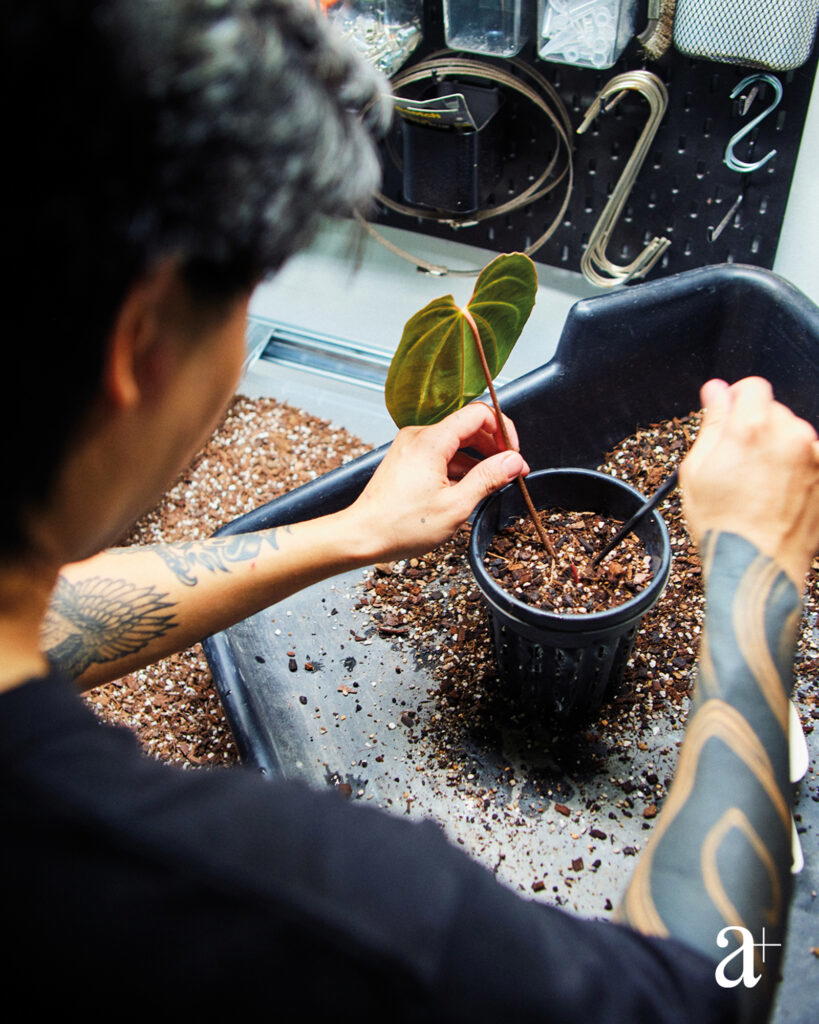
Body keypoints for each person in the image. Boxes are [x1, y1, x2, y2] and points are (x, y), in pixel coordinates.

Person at [2, 1, 817, 1018]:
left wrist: (354, 530)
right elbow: (709, 991)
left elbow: (44, 619)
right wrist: (759, 562)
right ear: (144, 344)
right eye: (251, 285)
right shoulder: (265, 894)